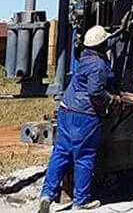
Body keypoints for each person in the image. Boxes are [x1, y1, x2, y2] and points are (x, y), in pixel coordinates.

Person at [39, 25, 118, 212]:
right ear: (101, 44)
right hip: (85, 115)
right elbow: (95, 91)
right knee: (84, 156)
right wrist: (111, 99)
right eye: (106, 40)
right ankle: (80, 201)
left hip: (67, 109)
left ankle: (47, 195)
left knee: (61, 153)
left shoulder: (84, 58)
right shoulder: (99, 65)